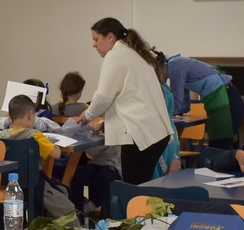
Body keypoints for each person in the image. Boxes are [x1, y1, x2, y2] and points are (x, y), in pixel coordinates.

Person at [75, 17, 174, 185]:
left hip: (140, 134)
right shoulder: (132, 52)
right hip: (152, 132)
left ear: (110, 37)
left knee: (132, 188)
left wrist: (87, 115)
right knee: (139, 186)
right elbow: (128, 96)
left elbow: (104, 97)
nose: (94, 45)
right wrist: (108, 121)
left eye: (96, 39)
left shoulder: (116, 55)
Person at [164, 54, 244, 149]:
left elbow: (177, 97)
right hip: (227, 99)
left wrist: (167, 114)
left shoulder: (174, 65)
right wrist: (180, 111)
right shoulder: (177, 63)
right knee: (220, 147)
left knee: (219, 148)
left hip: (226, 102)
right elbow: (183, 99)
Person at [0, 94, 61, 164]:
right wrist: (55, 146)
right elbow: (56, 155)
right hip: (32, 171)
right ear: (30, 115)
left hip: (8, 171)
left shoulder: (2, 135)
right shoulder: (36, 135)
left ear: (9, 118)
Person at [152, 53, 182, 178]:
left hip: (161, 136)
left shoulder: (159, 90)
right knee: (169, 174)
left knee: (160, 176)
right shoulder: (163, 89)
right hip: (168, 134)